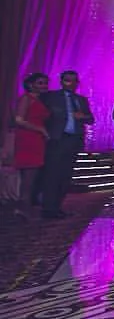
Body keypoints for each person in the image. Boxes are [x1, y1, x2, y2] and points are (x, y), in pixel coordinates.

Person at [39, 71, 94, 220]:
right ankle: (48, 208)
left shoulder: (81, 100)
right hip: (57, 139)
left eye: (75, 81)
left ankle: (57, 206)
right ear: (62, 81)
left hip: (73, 140)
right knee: (52, 175)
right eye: (68, 80)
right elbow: (40, 115)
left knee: (65, 175)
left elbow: (91, 119)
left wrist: (83, 116)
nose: (72, 83)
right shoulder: (51, 97)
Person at [11, 72, 49, 216]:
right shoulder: (26, 98)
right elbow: (18, 119)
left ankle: (23, 208)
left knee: (31, 177)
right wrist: (39, 129)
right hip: (28, 138)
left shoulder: (39, 100)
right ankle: (23, 209)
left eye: (45, 83)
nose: (44, 86)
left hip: (36, 138)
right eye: (40, 83)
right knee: (28, 177)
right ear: (30, 85)